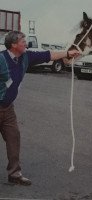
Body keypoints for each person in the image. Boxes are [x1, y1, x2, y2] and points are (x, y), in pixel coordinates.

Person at [0, 31, 79, 186]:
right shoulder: (1, 59)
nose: (26, 43)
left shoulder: (26, 57)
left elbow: (48, 55)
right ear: (14, 45)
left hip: (8, 109)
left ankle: (14, 174)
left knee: (14, 138)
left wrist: (68, 53)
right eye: (23, 41)